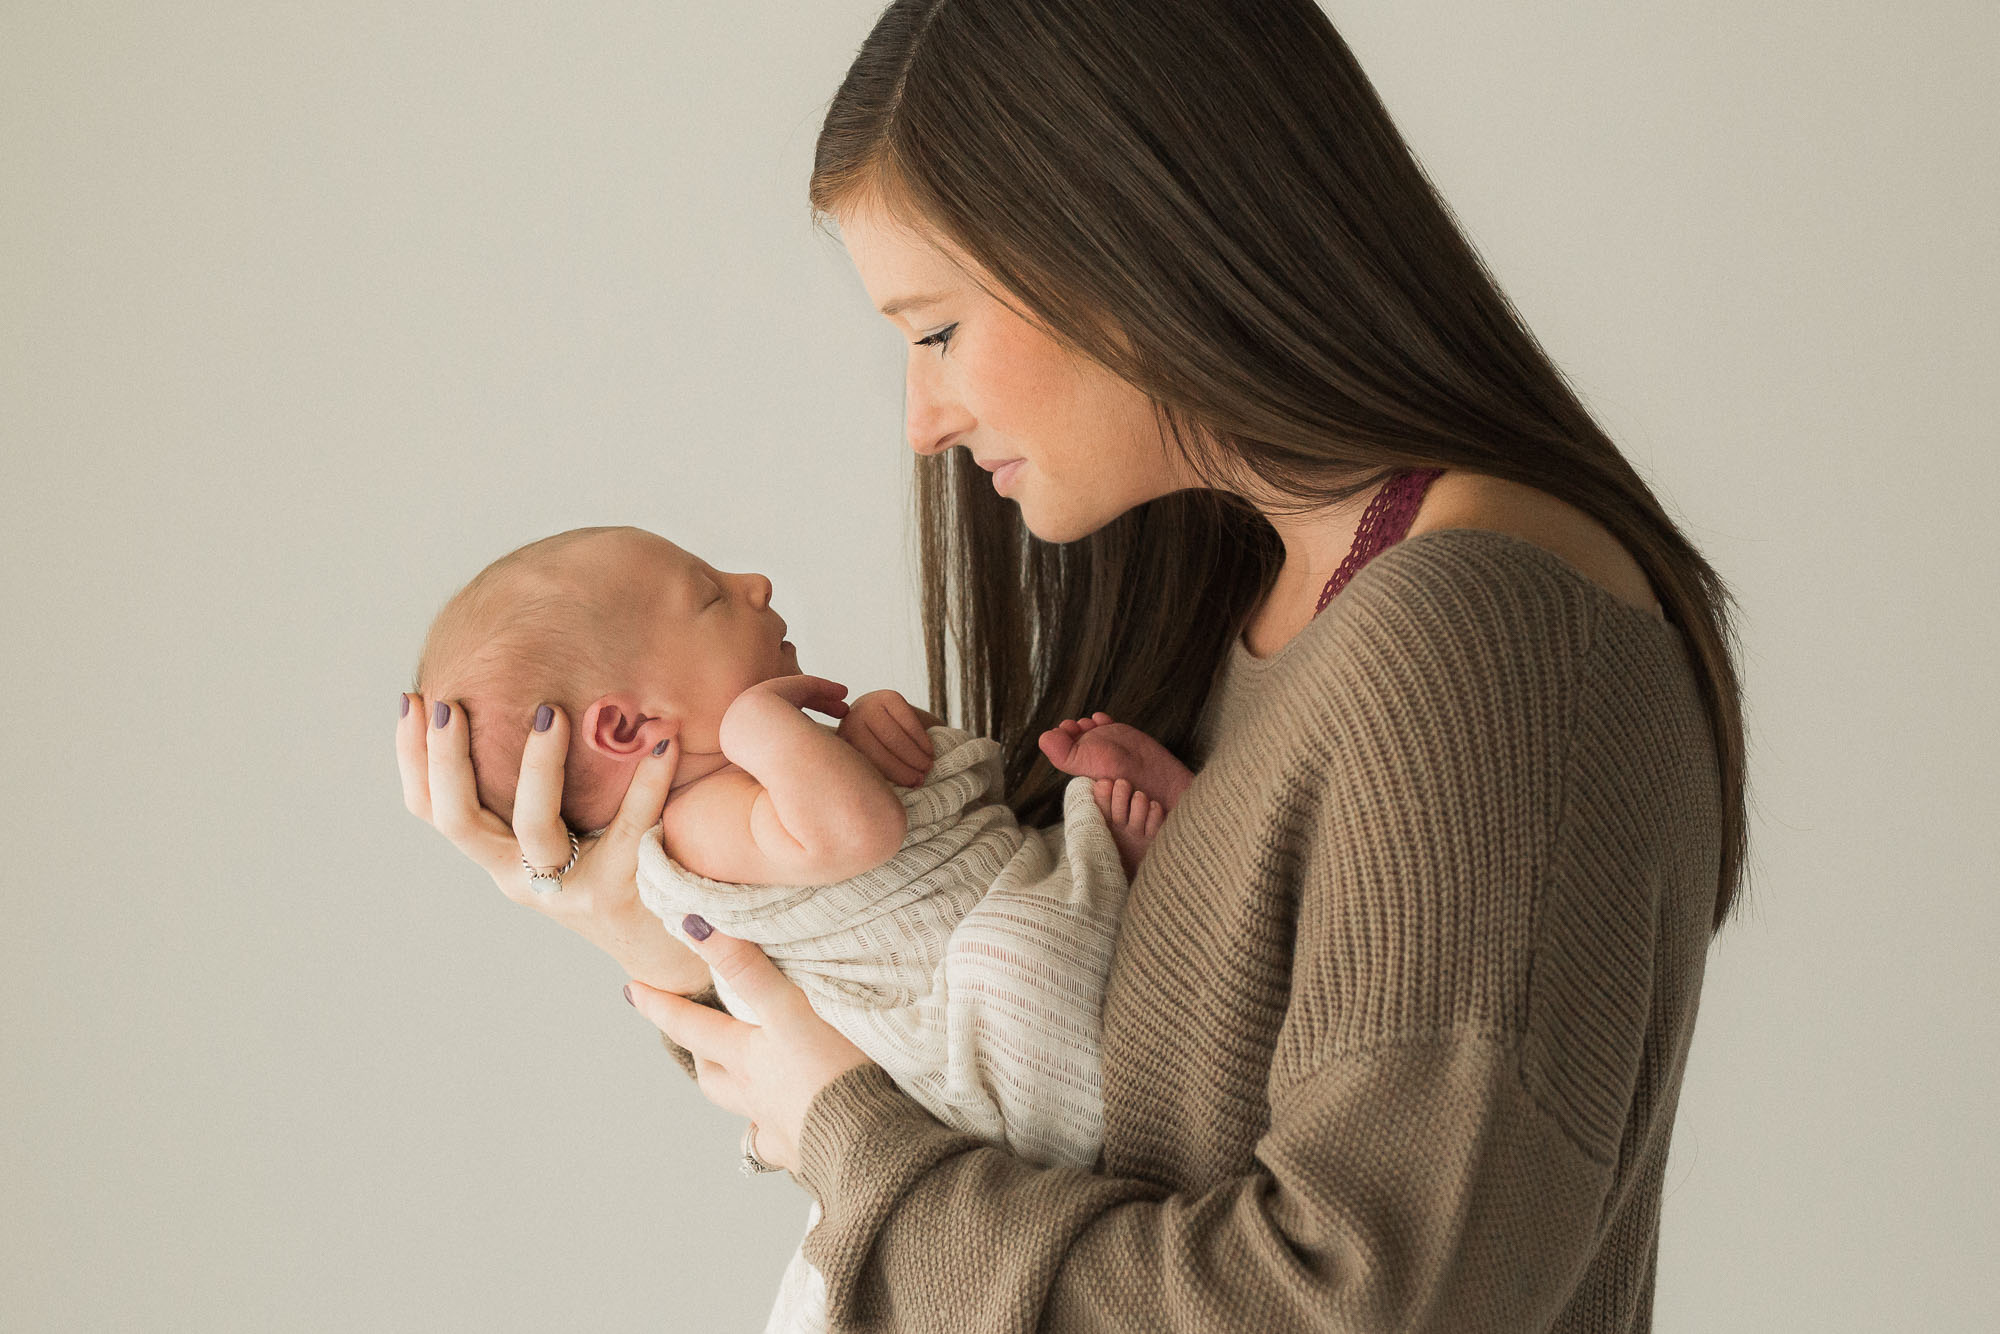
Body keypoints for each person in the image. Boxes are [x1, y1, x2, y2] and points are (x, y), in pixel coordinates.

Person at [397, 1, 1746, 1328]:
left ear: (1137, 243)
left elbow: (1357, 1301)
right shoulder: (1247, 595)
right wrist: (644, 911)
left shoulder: (1483, 643)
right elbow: (1013, 1099)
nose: (922, 421)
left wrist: (851, 1145)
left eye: (935, 331)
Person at [410, 523, 1189, 1332]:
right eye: (710, 595)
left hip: (972, 955)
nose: (756, 584)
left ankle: (1108, 882)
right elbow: (862, 832)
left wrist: (883, 733)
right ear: (627, 728)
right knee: (1015, 955)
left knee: (1024, 897)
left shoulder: (760, 784)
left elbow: (944, 816)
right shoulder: (698, 826)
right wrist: (758, 723)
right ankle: (1115, 883)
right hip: (976, 1046)